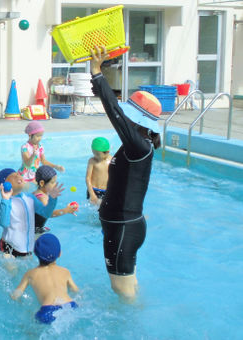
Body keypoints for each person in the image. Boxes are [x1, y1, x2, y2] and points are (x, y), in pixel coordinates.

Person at [90, 46, 162, 301]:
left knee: (124, 294)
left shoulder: (138, 146)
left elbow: (115, 113)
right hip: (124, 227)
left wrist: (98, 74)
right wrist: (97, 85)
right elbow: (116, 111)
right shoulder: (139, 146)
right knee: (129, 287)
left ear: (138, 120)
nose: (126, 119)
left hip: (122, 229)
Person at [11, 233, 79, 324]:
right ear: (60, 254)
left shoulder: (30, 274)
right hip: (70, 305)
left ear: (35, 253)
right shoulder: (65, 271)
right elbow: (75, 290)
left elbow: (16, 295)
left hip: (47, 311)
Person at [0, 168, 62, 258]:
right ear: (4, 185)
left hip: (27, 248)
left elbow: (45, 213)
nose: (18, 175)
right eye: (13, 176)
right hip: (9, 248)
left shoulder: (30, 197)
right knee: (12, 272)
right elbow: (3, 223)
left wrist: (53, 199)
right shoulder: (6, 203)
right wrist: (5, 199)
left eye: (18, 174)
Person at [33, 165, 78, 235]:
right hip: (34, 231)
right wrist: (66, 210)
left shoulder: (36, 193)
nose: (55, 184)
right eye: (52, 182)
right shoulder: (41, 197)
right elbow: (50, 214)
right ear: (42, 183)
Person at [85, 137, 112, 205]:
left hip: (107, 191)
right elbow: (88, 178)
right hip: (94, 190)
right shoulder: (92, 161)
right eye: (94, 153)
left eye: (97, 154)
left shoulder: (112, 161)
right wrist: (92, 194)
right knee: (93, 212)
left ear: (107, 152)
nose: (95, 156)